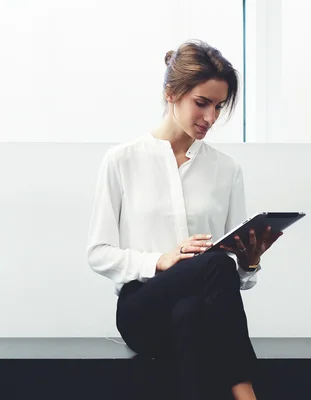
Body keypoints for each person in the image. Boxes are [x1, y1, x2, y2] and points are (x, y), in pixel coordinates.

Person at [86, 39, 282, 400]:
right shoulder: (122, 160)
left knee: (196, 305)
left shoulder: (226, 169)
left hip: (201, 312)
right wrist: (159, 261)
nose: (210, 118)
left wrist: (250, 262)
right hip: (142, 307)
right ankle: (246, 391)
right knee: (213, 265)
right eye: (201, 103)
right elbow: (98, 253)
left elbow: (235, 277)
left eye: (219, 107)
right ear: (171, 93)